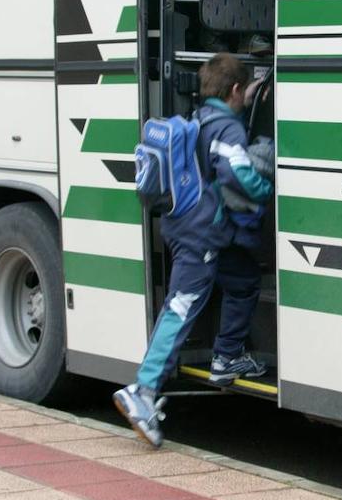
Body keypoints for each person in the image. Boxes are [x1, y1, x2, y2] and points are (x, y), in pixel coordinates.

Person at [114, 54, 274, 447]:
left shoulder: (201, 117)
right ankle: (143, 391)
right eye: (245, 89)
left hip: (187, 224)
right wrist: (268, 191)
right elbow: (236, 173)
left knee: (242, 281)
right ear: (236, 90)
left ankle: (226, 358)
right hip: (201, 234)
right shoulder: (229, 129)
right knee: (181, 305)